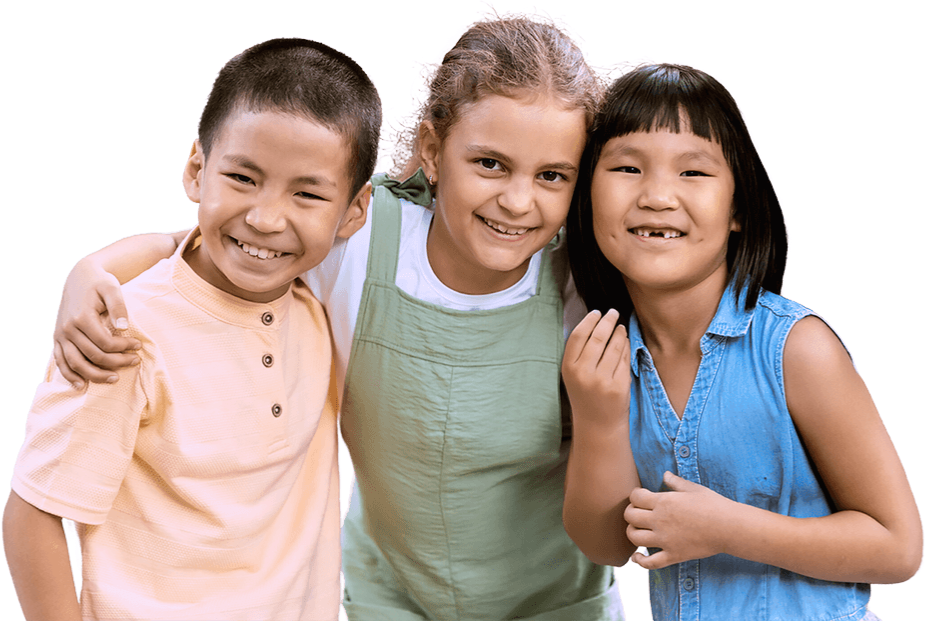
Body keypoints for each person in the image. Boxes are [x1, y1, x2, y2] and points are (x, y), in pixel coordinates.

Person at [40, 9, 630, 620]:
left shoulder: (584, 289)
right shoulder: (358, 244)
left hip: (560, 607)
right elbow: (217, 242)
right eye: (490, 163)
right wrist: (88, 273)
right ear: (432, 148)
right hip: (384, 603)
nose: (517, 199)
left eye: (552, 176)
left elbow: (615, 529)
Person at [2, 37, 379, 620]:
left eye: (306, 193)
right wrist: (90, 274)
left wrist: (91, 264)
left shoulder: (319, 294)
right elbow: (34, 515)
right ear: (197, 171)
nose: (265, 217)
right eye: (243, 178)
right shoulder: (122, 335)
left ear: (353, 213)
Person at [560, 62, 923, 621]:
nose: (657, 195)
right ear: (587, 198)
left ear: (738, 208)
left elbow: (898, 547)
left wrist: (729, 528)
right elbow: (607, 544)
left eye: (694, 173)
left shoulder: (796, 349)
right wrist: (599, 417)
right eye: (628, 167)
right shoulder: (601, 357)